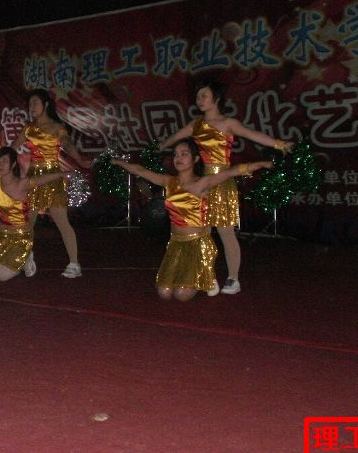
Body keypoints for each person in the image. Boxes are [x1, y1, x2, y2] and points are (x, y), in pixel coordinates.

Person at [159, 78, 294, 295]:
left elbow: (253, 135)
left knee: (225, 231)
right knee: (200, 231)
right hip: (201, 182)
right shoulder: (195, 125)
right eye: (197, 96)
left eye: (204, 95)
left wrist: (279, 144)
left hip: (222, 180)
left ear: (217, 98)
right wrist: (158, 147)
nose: (199, 100)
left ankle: (233, 278)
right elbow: (174, 138)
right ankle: (207, 275)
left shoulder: (227, 123)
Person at [112, 138, 271, 301]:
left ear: (195, 159)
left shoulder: (202, 183)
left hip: (198, 245)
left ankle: (206, 273)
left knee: (181, 295)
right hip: (176, 244)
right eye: (176, 154)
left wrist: (261, 164)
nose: (178, 158)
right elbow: (140, 171)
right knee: (164, 293)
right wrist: (119, 162)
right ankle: (197, 276)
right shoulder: (169, 182)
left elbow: (232, 172)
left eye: (184, 154)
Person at [0, 146, 71, 281]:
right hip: (1, 237)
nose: (0, 164)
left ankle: (25, 256)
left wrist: (62, 174)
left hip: (21, 237)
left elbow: (42, 179)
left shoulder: (22, 184)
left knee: (0, 275)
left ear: (13, 164)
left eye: (4, 161)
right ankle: (11, 259)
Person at [10, 89, 91, 278]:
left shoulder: (56, 127)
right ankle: (27, 256)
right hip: (33, 178)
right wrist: (1, 160)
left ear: (45, 105)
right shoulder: (28, 128)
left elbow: (68, 144)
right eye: (30, 104)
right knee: (27, 221)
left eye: (35, 103)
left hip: (52, 176)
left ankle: (74, 264)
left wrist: (79, 159)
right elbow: (13, 147)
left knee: (62, 221)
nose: (32, 107)